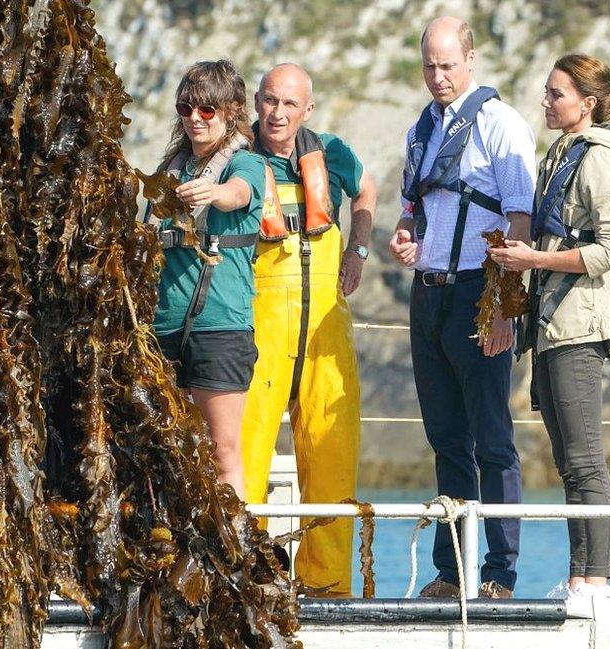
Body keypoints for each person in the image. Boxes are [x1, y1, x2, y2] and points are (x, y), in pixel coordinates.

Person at [389, 16, 536, 599]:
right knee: (446, 438)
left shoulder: (502, 126)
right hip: (428, 292)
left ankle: (500, 573)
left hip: (481, 288)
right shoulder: (422, 128)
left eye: (448, 65)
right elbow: (412, 208)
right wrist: (405, 235)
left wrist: (505, 308)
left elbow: (519, 221)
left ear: (471, 60)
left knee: (491, 437)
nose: (438, 76)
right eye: (429, 65)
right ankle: (451, 572)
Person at [490, 53, 610, 614]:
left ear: (588, 101)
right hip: (552, 323)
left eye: (557, 94)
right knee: (568, 460)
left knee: (585, 458)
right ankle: (579, 579)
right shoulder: (559, 154)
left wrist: (535, 258)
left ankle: (597, 579)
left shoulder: (598, 159)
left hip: (579, 324)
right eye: (547, 93)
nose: (547, 102)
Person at [240, 62, 376, 598]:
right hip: (259, 328)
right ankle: (248, 576)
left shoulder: (332, 153)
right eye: (270, 101)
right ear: (256, 102)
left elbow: (365, 191)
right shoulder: (238, 158)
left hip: (325, 328)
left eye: (290, 104)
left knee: (331, 455)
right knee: (245, 458)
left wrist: (359, 249)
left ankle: (327, 584)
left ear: (307, 110)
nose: (278, 113)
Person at [151, 60, 267, 499]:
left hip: (220, 328)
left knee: (222, 450)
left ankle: (232, 554)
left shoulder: (246, 164)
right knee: (166, 452)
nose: (195, 118)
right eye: (187, 107)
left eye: (208, 110)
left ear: (232, 110)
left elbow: (240, 191)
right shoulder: (171, 169)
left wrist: (215, 193)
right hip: (163, 329)